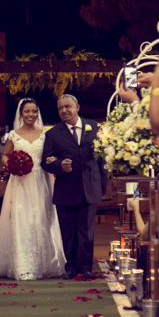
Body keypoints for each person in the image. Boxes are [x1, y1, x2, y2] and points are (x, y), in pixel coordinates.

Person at [0, 98, 66, 281]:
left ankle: (45, 263)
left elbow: (52, 155)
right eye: (27, 111)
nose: (31, 114)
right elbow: (5, 156)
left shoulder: (45, 134)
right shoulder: (13, 135)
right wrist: (11, 164)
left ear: (37, 113)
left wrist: (53, 160)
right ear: (21, 113)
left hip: (41, 181)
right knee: (21, 220)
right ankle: (23, 265)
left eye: (34, 111)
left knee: (41, 219)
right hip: (20, 182)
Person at [42, 94, 107, 280]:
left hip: (90, 188)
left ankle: (86, 268)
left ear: (77, 107)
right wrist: (59, 165)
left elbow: (103, 161)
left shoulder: (95, 128)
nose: (64, 110)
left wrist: (102, 188)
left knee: (87, 233)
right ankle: (70, 267)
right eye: (60, 108)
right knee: (68, 232)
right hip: (66, 190)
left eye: (68, 106)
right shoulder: (53, 134)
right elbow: (45, 163)